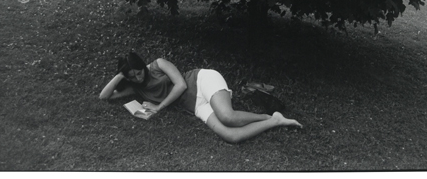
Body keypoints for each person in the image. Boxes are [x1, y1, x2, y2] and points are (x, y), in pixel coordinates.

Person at [100, 52, 302, 143]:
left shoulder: (158, 64)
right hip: (195, 105)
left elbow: (181, 85)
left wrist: (159, 108)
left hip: (202, 81)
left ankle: (266, 116)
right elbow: (104, 97)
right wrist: (121, 74)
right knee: (231, 136)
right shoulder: (136, 86)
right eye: (132, 76)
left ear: (142, 64)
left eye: (138, 71)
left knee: (228, 117)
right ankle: (274, 119)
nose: (138, 77)